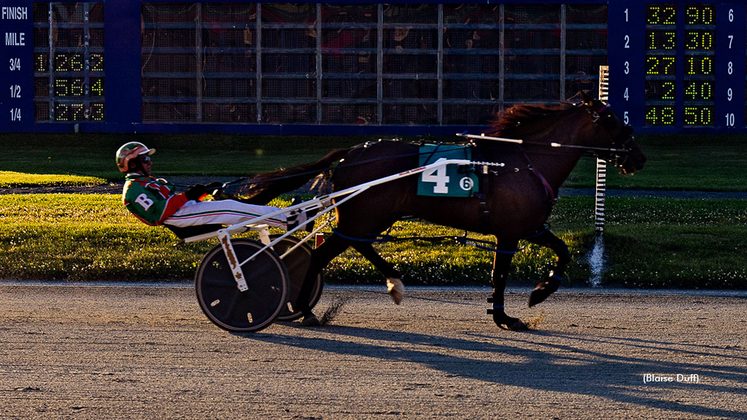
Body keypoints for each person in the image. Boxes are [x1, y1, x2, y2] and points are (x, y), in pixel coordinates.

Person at [116, 141, 310, 234]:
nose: (149, 162)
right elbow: (158, 214)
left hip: (183, 211)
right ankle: (290, 221)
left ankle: (290, 216)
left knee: (233, 205)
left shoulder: (148, 182)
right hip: (177, 218)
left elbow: (181, 200)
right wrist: (188, 196)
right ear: (133, 164)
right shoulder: (133, 189)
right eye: (145, 159)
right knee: (233, 209)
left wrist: (204, 192)